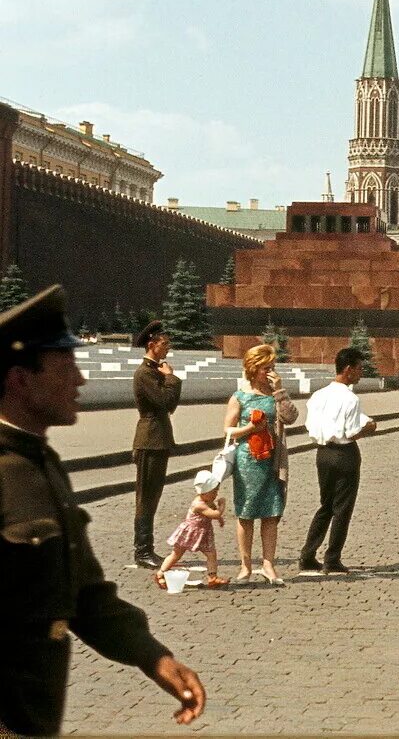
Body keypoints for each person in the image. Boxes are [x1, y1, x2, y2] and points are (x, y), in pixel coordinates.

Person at [0, 285, 205, 735]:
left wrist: (153, 656)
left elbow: (83, 592)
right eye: (65, 366)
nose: (80, 380)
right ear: (19, 379)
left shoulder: (41, 464)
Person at [223, 344, 297, 585]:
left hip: (273, 460)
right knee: (245, 513)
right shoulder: (240, 397)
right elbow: (228, 430)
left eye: (273, 367)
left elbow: (291, 417)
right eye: (267, 368)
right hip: (248, 460)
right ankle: (245, 566)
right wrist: (250, 429)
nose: (271, 372)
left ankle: (268, 565)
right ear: (254, 369)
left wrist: (280, 391)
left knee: (271, 513)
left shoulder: (275, 395)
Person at [300, 347, 377, 574]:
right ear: (348, 369)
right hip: (345, 454)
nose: (361, 373)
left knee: (326, 504)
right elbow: (352, 432)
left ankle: (308, 554)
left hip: (322, 453)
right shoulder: (350, 398)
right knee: (342, 507)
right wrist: (369, 428)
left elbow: (310, 425)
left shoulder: (318, 395)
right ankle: (332, 558)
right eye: (359, 369)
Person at [131, 320, 182, 569]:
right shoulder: (145, 374)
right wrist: (171, 379)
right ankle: (142, 551)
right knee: (146, 497)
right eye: (164, 344)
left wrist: (169, 381)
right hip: (149, 439)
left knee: (153, 495)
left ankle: (146, 548)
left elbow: (170, 405)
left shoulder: (154, 372)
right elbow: (163, 402)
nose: (167, 348)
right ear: (152, 345)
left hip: (158, 438)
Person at [155, 470, 228, 589]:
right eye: (214, 491)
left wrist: (219, 519)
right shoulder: (199, 504)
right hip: (190, 532)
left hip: (203, 532)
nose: (216, 494)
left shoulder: (208, 501)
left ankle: (212, 577)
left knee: (211, 553)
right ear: (204, 492)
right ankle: (160, 573)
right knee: (176, 554)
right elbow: (214, 513)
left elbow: (214, 510)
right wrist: (222, 506)